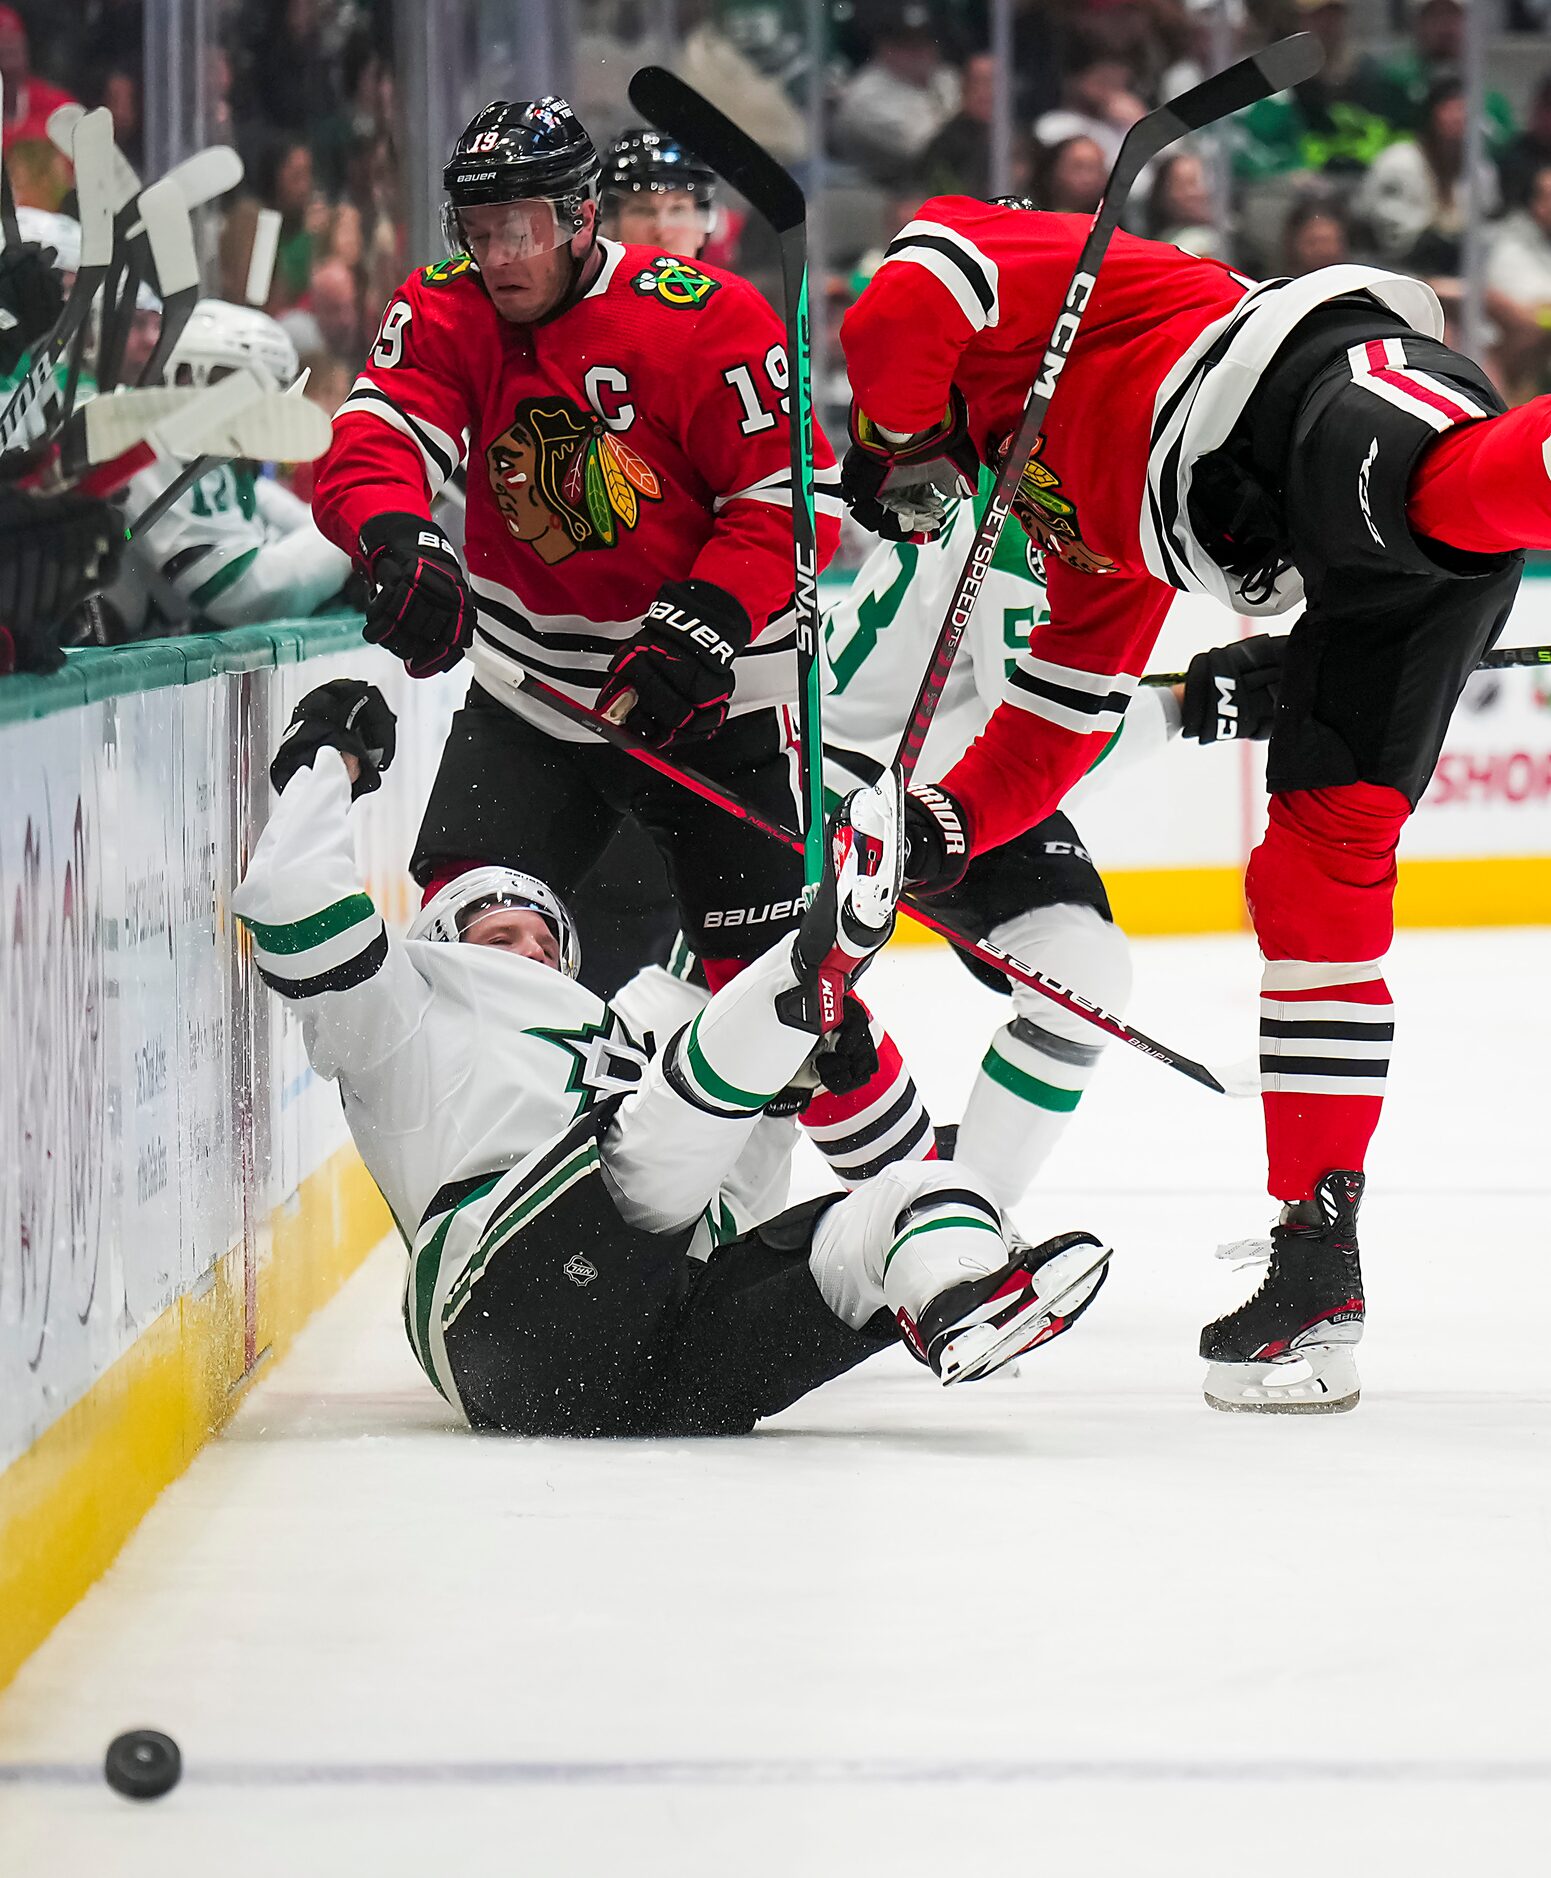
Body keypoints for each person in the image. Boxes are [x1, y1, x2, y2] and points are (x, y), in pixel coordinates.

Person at [837, 191, 1551, 1413]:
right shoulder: (1069, 532)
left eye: (921, 472)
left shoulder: (1023, 279)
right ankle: (1316, 1269)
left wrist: (893, 433)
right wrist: (952, 825)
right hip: (1342, 572)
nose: (930, 494)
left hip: (1315, 390)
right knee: (1313, 876)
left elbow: (911, 294)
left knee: (1438, 486)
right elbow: (1061, 713)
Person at [310, 96, 934, 1192]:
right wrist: (398, 538)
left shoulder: (702, 316)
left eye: (524, 227)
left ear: (582, 215)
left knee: (781, 991)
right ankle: (509, 1195)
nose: (499, 254)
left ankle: (925, 1202)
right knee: (475, 936)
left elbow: (795, 495)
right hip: (535, 697)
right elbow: (373, 436)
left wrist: (704, 624)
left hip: (709, 703)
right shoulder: (445, 308)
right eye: (479, 226)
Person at [230, 679, 1114, 1432]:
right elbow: (289, 897)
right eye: (502, 934)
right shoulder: (403, 1007)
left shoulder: (615, 1038)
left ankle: (964, 1301)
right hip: (501, 1307)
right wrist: (327, 764)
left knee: (914, 1195)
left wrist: (781, 1101)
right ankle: (814, 957)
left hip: (635, 1357)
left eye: (545, 941)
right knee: (670, 1105)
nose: (533, 954)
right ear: (439, 939)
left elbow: (723, 1200)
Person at [98, 300, 352, 637]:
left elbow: (292, 520)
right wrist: (352, 540)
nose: (267, 407)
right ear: (191, 376)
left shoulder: (217, 460)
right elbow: (241, 593)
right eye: (251, 384)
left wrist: (352, 530)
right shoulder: (158, 452)